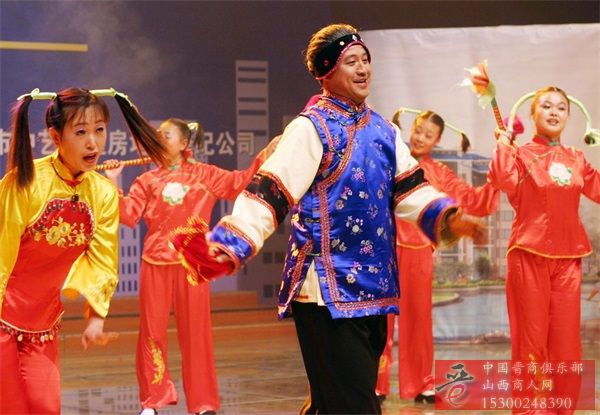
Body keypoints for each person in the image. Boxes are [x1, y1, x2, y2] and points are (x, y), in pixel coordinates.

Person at [171, 24, 485, 414]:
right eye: (351, 61)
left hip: (374, 288)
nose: (363, 69)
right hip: (325, 289)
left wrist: (449, 219)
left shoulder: (383, 130)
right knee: (353, 405)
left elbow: (410, 190)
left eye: (366, 60)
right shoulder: (311, 128)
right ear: (327, 72)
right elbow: (271, 190)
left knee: (337, 402)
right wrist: (230, 244)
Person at [0, 87, 167, 414]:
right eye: (80, 132)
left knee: (46, 407)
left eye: (99, 130)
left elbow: (103, 259)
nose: (93, 143)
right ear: (55, 136)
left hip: (43, 327)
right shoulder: (25, 182)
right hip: (2, 319)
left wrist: (95, 319)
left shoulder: (102, 194)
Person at [105, 118, 276, 415]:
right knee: (151, 333)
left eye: (166, 135)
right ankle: (152, 401)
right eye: (157, 135)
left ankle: (203, 403)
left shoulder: (205, 174)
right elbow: (128, 215)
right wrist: (114, 181)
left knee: (196, 334)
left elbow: (240, 182)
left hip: (193, 264)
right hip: (155, 262)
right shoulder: (146, 180)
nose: (159, 139)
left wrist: (265, 155)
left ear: (184, 143)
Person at [375, 109, 500, 404]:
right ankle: (375, 383)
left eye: (428, 135)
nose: (420, 138)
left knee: (418, 320)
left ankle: (422, 383)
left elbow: (472, 199)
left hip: (419, 251)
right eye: (418, 130)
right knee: (379, 319)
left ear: (437, 140)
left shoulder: (440, 172)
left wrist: (498, 174)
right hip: (384, 249)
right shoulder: (393, 159)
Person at [488, 86, 600, 413]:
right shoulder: (521, 154)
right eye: (546, 106)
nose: (554, 112)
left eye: (561, 107)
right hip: (528, 257)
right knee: (531, 343)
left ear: (569, 116)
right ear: (533, 114)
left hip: (569, 260)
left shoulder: (576, 158)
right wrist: (503, 145)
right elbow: (502, 179)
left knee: (566, 345)